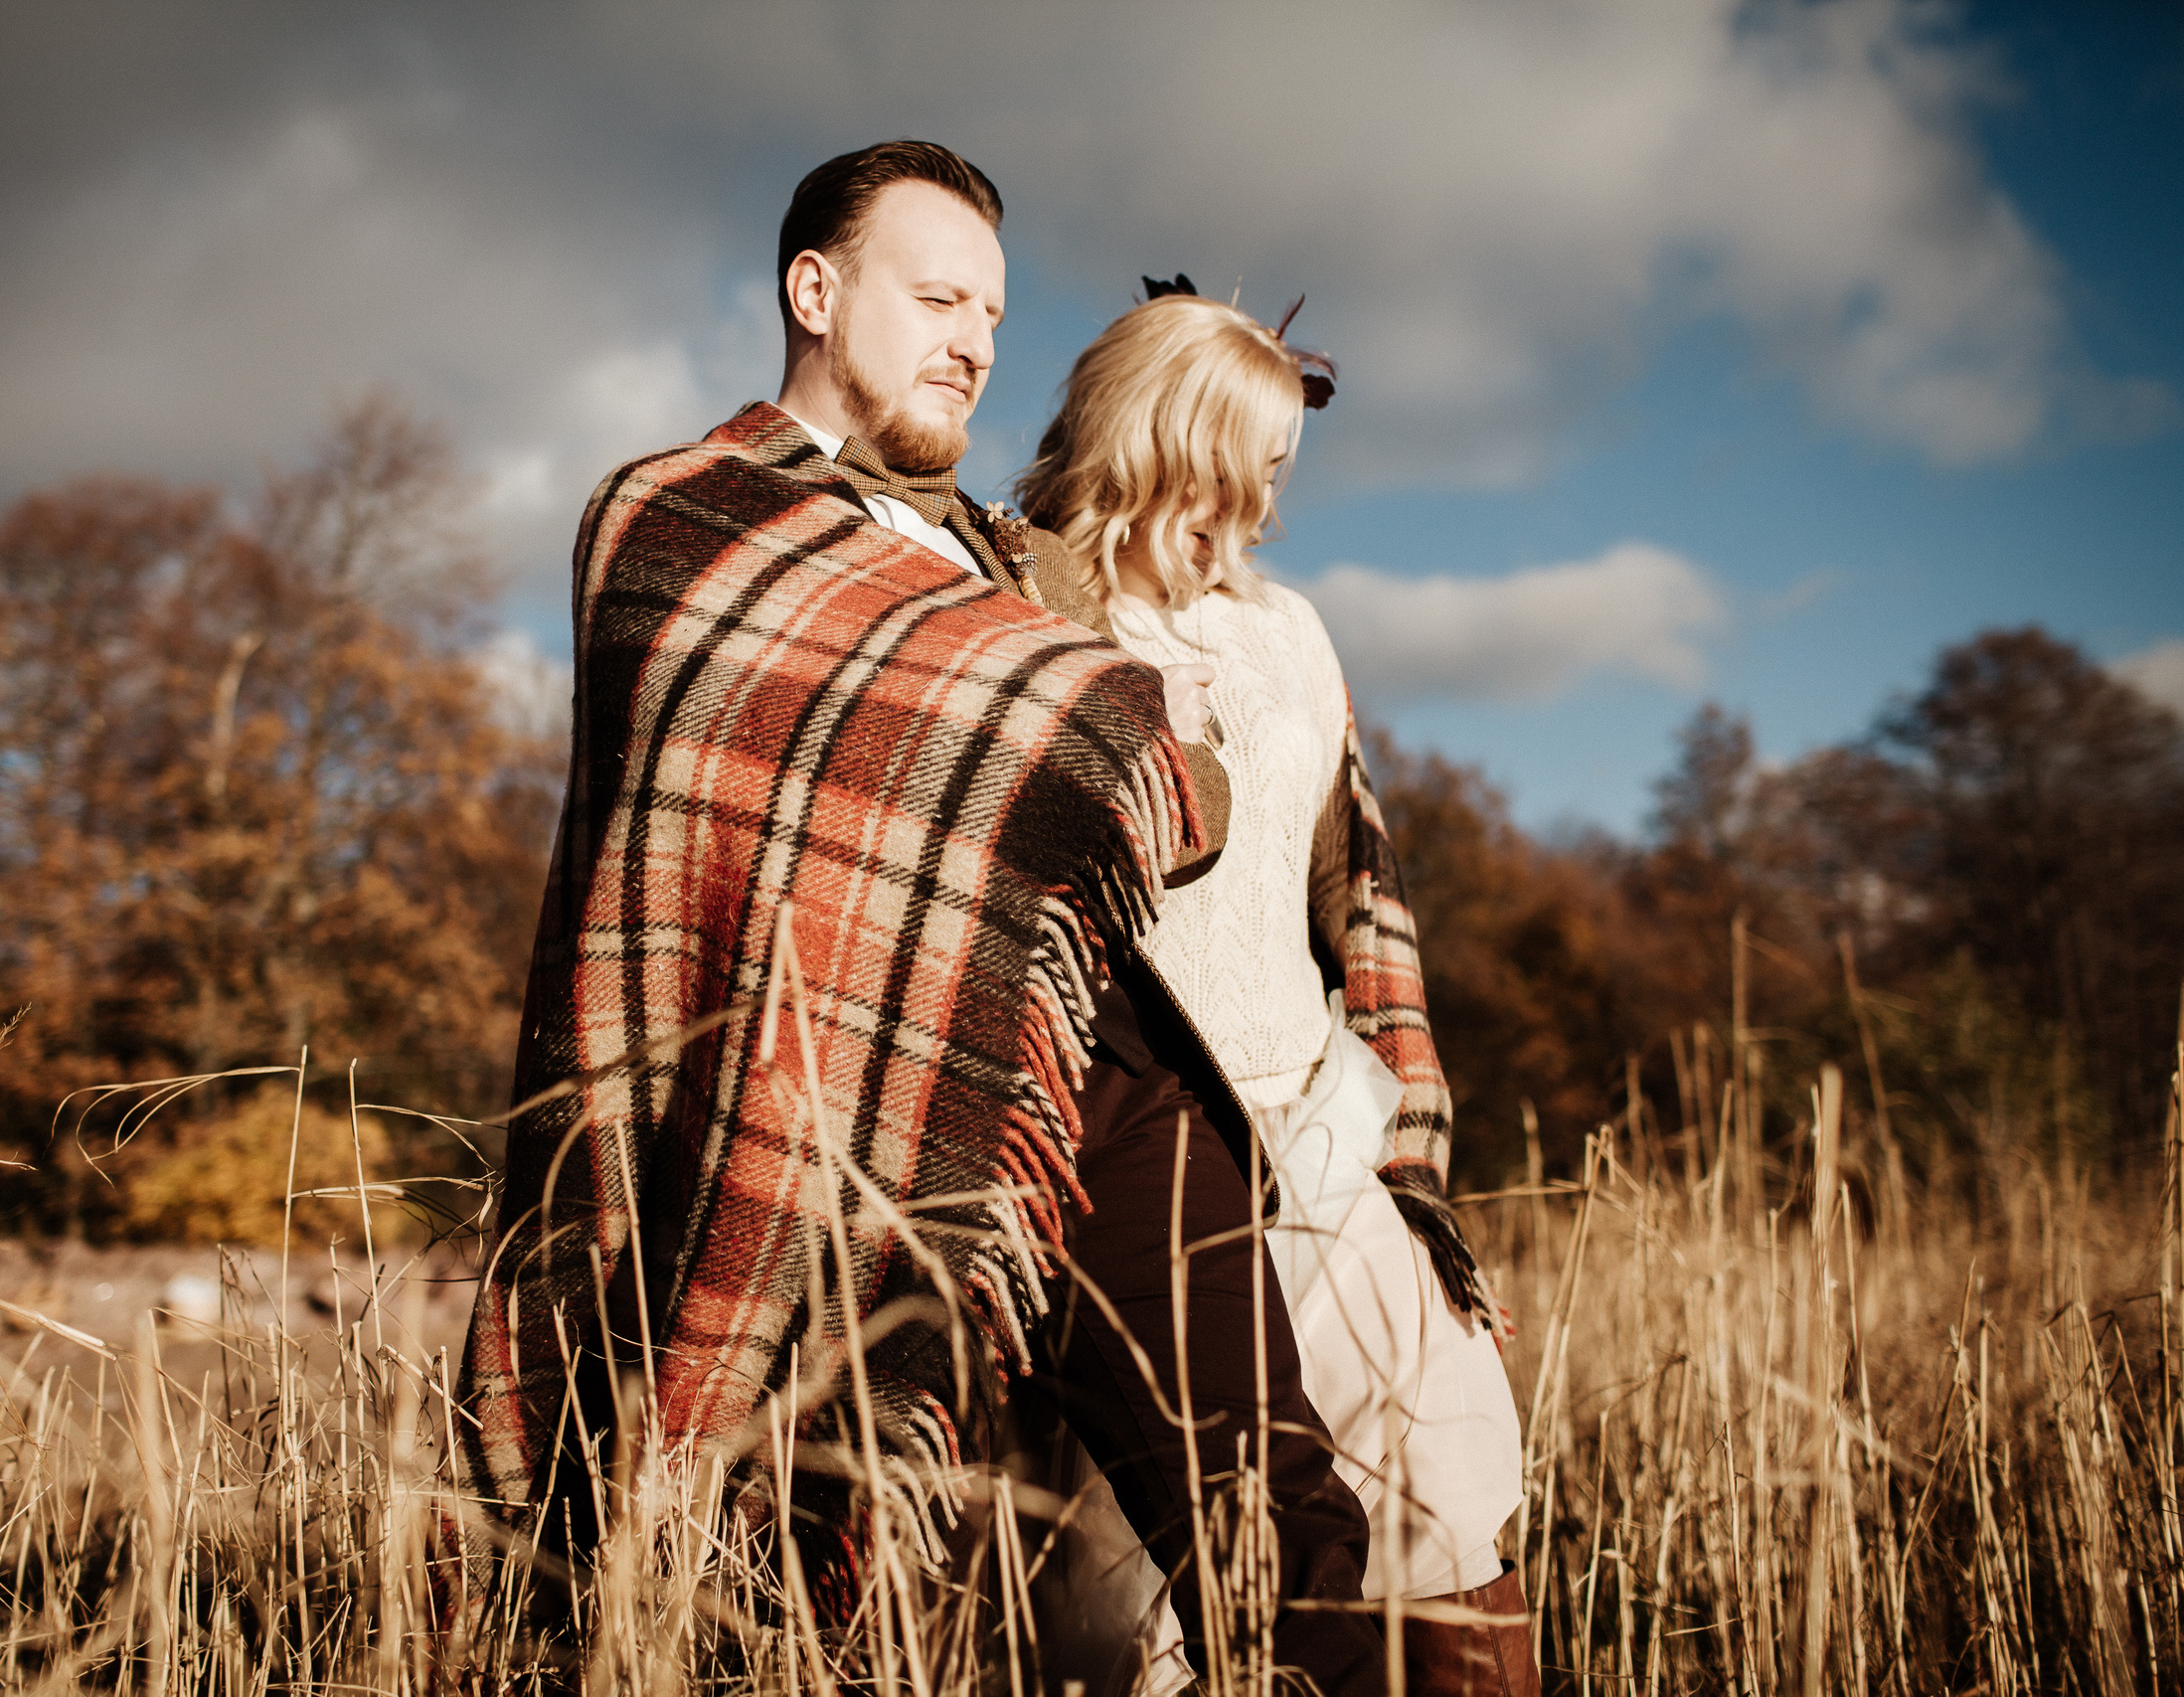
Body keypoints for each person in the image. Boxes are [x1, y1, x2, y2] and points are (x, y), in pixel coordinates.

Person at [456, 142, 1395, 1692]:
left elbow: (1173, 774)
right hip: (821, 1113)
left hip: (1093, 1089)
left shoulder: (1008, 561)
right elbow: (1099, 734)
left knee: (1280, 1527)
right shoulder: (682, 516)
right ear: (814, 293)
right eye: (938, 296)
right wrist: (1111, 730)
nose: (973, 339)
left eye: (995, 315)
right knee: (836, 1562)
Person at [1012, 283, 1537, 1695]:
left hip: (1329, 1146)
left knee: (1457, 1539)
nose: (1264, 494)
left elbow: (1348, 882)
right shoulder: (1014, 609)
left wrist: (1406, 1132)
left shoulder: (1292, 631)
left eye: (1282, 465)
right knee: (1169, 1610)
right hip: (1142, 1165)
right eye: (1245, 454)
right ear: (1163, 432)